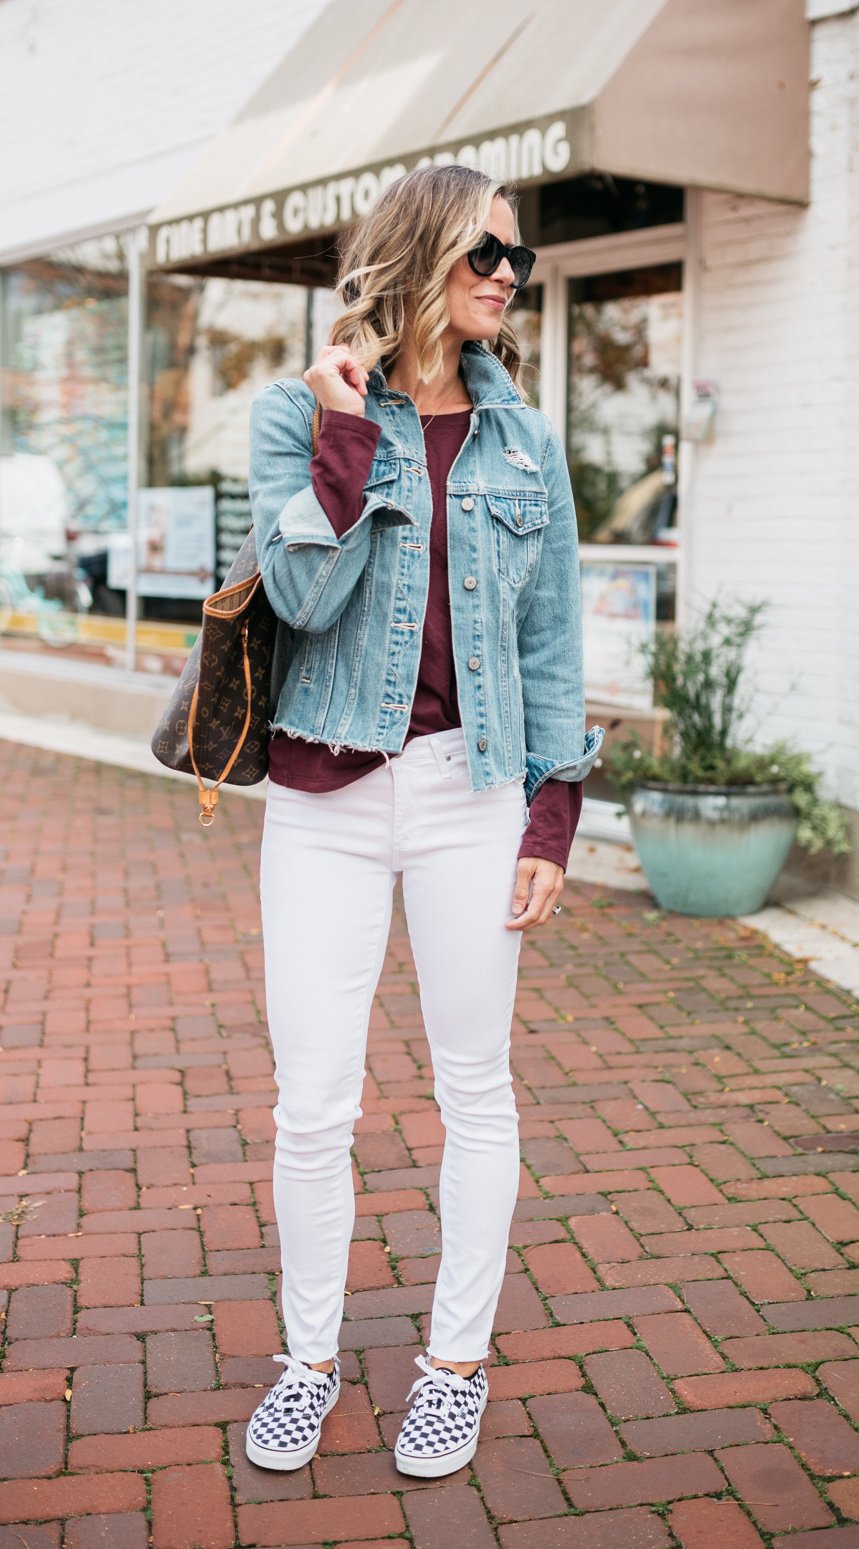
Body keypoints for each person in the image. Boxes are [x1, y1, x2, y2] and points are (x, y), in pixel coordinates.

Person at [244, 164, 604, 1481]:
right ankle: (308, 1357)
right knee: (312, 1103)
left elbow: (552, 640)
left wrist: (549, 820)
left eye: (518, 252)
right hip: (324, 793)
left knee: (476, 1089)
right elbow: (298, 594)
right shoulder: (298, 413)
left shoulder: (527, 444)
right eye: (486, 250)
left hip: (474, 786)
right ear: (422, 256)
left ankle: (455, 1363)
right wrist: (346, 436)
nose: (511, 270)